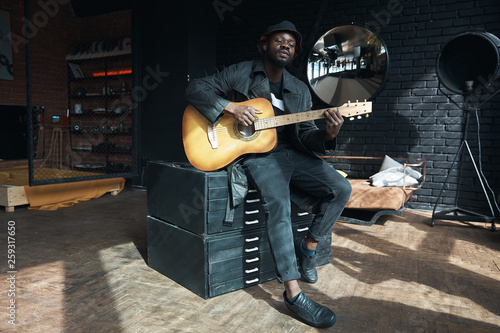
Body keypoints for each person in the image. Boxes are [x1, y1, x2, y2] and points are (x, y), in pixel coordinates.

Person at [185, 20, 352, 328]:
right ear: (264, 45)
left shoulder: (300, 90)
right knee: (278, 206)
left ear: (295, 52)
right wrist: (231, 108)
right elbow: (194, 88)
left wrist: (329, 135)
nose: (286, 45)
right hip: (259, 156)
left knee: (341, 188)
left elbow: (307, 136)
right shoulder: (241, 72)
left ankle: (310, 246)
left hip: (292, 155)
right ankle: (292, 292)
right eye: (279, 40)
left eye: (291, 43)